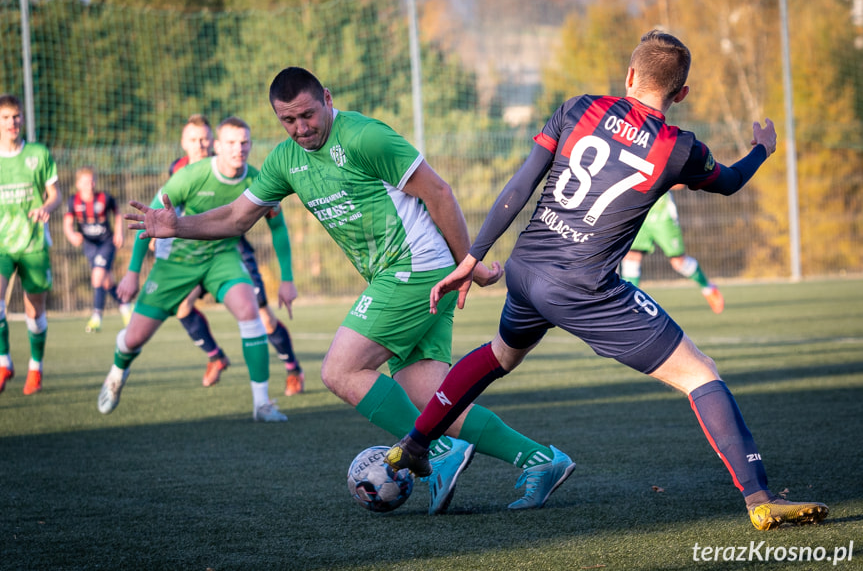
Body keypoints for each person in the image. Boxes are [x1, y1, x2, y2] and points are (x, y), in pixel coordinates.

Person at [384, 30, 829, 530]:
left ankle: (413, 446)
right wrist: (762, 149)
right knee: (700, 373)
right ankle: (760, 499)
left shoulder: (578, 109)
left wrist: (473, 256)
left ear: (630, 76)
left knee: (499, 355)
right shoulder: (680, 148)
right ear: (680, 94)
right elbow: (728, 182)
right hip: (585, 288)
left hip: (527, 271)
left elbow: (522, 182)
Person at [127, 67, 575, 514]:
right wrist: (177, 226)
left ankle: (433, 453)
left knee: (339, 371)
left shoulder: (363, 136)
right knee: (431, 399)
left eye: (307, 114)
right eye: (288, 120)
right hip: (401, 273)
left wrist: (468, 266)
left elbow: (438, 191)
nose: (301, 128)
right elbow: (235, 219)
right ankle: (539, 460)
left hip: (415, 266)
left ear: (326, 97)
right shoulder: (286, 160)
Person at [102, 116, 294, 422]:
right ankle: (116, 372)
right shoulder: (190, 176)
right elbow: (148, 219)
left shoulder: (258, 180)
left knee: (249, 310)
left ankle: (262, 404)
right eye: (231, 142)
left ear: (251, 145)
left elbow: (279, 227)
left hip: (223, 256)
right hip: (178, 261)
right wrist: (132, 272)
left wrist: (287, 279)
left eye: (244, 142)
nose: (238, 149)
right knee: (133, 338)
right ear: (217, 146)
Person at [163, 114, 305, 393]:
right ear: (184, 143)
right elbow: (174, 208)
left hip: (232, 250)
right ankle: (216, 358)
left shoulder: (246, 174)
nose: (199, 146)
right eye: (194, 140)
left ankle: (293, 369)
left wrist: (287, 278)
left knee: (263, 319)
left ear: (212, 143)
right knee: (181, 306)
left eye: (203, 139)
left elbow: (277, 225)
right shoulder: (179, 170)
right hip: (194, 252)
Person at [0, 94, 61, 396]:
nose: (12, 123)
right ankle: (4, 361)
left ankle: (35, 368)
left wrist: (47, 207)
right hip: (2, 245)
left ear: (22, 119)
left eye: (16, 117)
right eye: (6, 118)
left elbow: (55, 194)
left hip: (34, 243)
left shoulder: (38, 153)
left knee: (34, 313)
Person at [620, 186, 724, 313]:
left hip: (662, 213)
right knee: (631, 257)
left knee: (678, 262)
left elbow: (680, 183)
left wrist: (661, 180)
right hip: (638, 210)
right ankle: (630, 306)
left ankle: (708, 288)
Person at [63, 166, 132, 332]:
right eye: (86, 181)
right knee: (106, 281)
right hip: (89, 245)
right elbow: (67, 222)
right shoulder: (74, 201)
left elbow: (117, 213)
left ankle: (96, 317)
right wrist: (71, 235)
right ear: (78, 184)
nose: (91, 184)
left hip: (106, 242)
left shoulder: (104, 198)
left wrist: (119, 233)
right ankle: (125, 306)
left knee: (97, 275)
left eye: (93, 180)